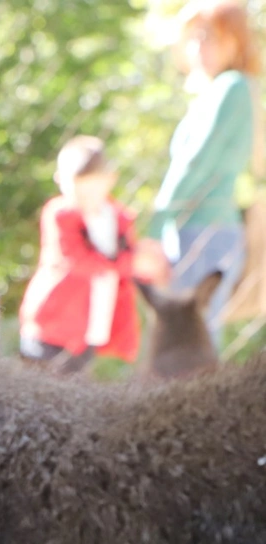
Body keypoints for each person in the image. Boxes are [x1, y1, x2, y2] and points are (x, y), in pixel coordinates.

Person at [150, 0, 263, 346]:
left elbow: (196, 163)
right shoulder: (217, 90)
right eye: (194, 38)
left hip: (205, 232)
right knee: (186, 342)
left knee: (187, 345)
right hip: (194, 229)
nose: (200, 47)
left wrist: (156, 223)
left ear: (235, 41)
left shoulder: (233, 86)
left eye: (211, 37)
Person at [20, 137, 170, 374]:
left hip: (91, 329)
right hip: (52, 326)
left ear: (110, 180)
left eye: (92, 189)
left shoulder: (118, 218)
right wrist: (133, 263)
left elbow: (129, 263)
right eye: (77, 190)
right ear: (61, 181)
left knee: (75, 388)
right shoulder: (60, 214)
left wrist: (151, 266)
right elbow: (78, 261)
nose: (85, 199)